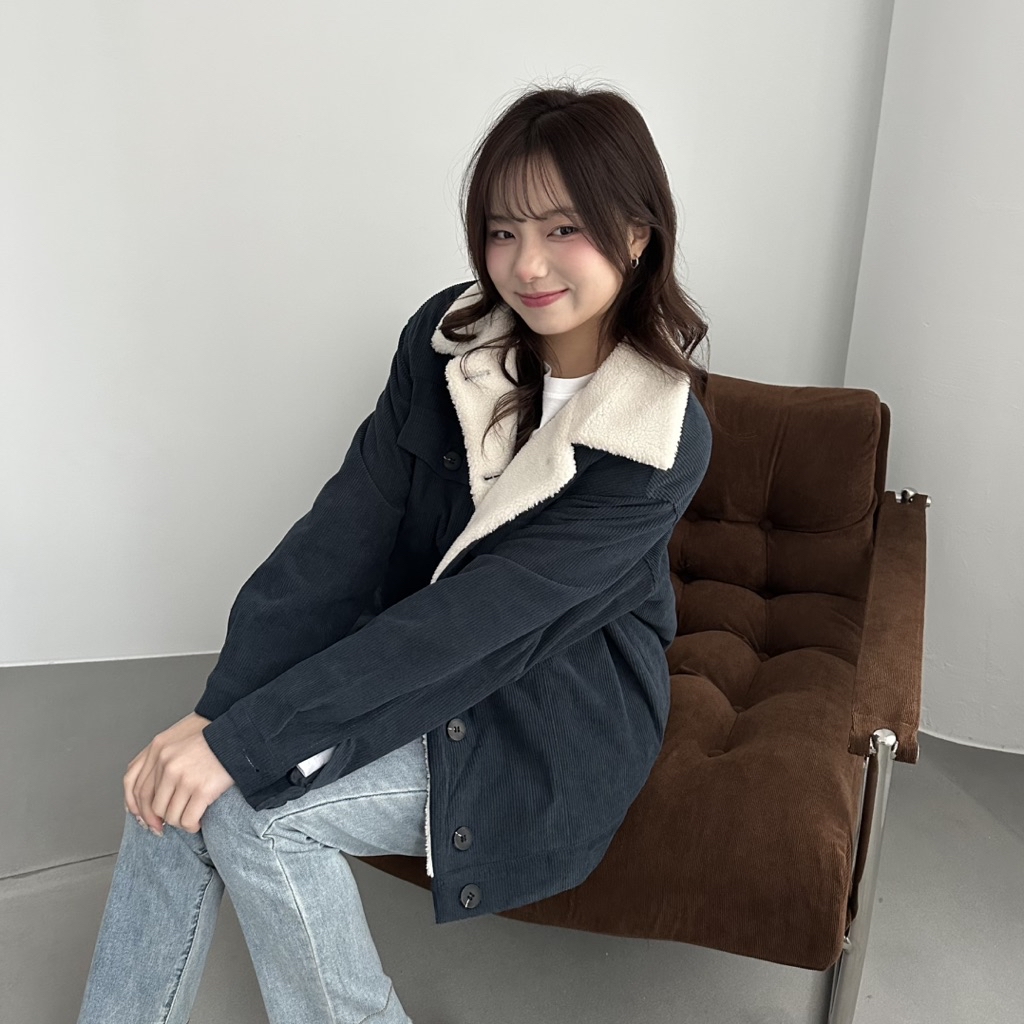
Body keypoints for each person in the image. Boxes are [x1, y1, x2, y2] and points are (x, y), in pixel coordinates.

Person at [76, 82, 715, 1024]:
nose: (527, 264)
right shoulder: (448, 343)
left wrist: (243, 743)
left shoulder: (656, 440)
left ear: (636, 233)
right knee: (176, 787)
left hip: (549, 717)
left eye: (563, 229)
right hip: (411, 662)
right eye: (502, 231)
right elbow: (344, 531)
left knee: (250, 812)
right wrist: (216, 713)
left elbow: (474, 624)